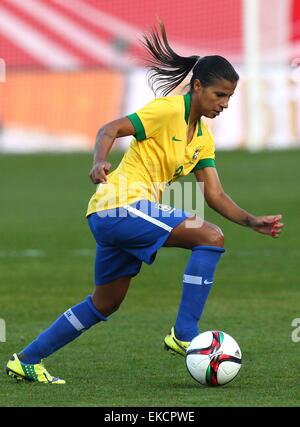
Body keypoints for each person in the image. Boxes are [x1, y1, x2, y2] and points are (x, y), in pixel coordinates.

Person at [6, 22, 283, 384]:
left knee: (104, 303)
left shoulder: (202, 139)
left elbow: (213, 194)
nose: (224, 104)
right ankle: (185, 334)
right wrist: (98, 161)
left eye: (229, 97)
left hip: (120, 219)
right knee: (210, 237)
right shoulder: (167, 110)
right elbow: (110, 128)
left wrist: (251, 221)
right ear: (197, 86)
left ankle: (27, 359)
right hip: (119, 205)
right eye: (219, 95)